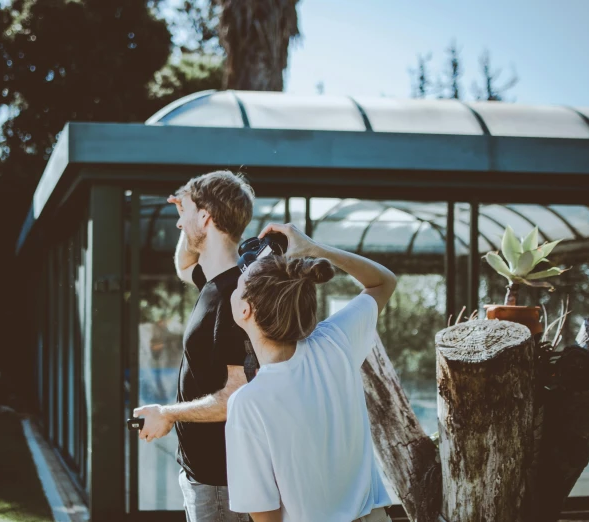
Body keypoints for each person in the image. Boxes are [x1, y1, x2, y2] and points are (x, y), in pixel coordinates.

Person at [225, 222, 398, 522]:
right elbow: (383, 282)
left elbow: (265, 514)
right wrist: (316, 249)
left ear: (245, 311)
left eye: (239, 286)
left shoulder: (248, 404)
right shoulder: (334, 342)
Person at [133, 170, 255, 522]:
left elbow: (235, 398)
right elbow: (183, 263)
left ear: (206, 217)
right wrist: (188, 207)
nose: (178, 225)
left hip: (220, 481)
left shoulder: (235, 296)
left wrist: (167, 413)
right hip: (201, 474)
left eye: (184, 213)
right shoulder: (215, 281)